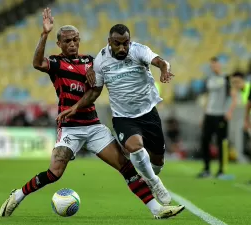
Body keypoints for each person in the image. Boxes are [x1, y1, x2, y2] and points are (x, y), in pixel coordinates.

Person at [0, 8, 185, 219]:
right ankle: (19, 195)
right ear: (59, 44)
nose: (72, 44)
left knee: (125, 167)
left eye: (75, 40)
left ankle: (156, 209)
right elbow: (37, 63)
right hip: (70, 127)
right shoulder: (57, 63)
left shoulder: (91, 62)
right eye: (67, 41)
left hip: (94, 126)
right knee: (55, 173)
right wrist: (44, 34)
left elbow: (100, 86)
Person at [57, 24, 174, 205]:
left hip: (148, 113)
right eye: (117, 44)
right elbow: (95, 92)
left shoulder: (139, 51)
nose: (122, 48)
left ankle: (153, 175)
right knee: (135, 147)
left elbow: (160, 61)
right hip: (123, 117)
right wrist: (76, 107)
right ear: (109, 42)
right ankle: (155, 183)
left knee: (157, 162)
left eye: (125, 43)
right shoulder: (101, 61)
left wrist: (164, 69)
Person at [197, 57, 237, 178]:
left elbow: (233, 96)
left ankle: (221, 170)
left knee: (221, 143)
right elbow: (208, 98)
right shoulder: (209, 79)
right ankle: (207, 169)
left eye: (215, 65)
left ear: (220, 65)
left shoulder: (226, 78)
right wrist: (203, 116)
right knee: (205, 141)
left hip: (221, 115)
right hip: (209, 115)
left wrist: (229, 111)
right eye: (211, 65)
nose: (213, 67)